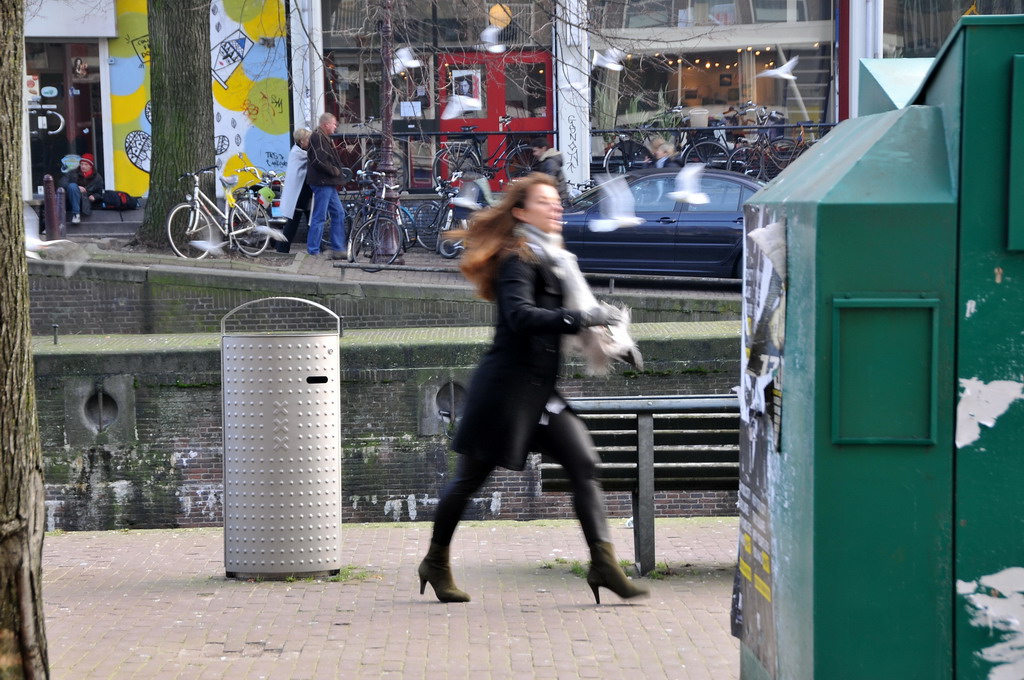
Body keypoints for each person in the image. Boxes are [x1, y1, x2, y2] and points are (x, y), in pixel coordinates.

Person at [417, 173, 649, 605]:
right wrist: (584, 319)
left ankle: (603, 564)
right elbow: (521, 316)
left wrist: (614, 344)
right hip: (505, 392)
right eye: (545, 201)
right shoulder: (516, 259)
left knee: (584, 464)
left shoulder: (556, 257)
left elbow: (578, 310)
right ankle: (435, 562)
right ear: (522, 212)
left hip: (540, 392)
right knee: (468, 480)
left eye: (557, 200)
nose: (556, 207)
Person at [305, 113, 348, 258]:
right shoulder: (318, 137)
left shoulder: (323, 137)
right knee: (320, 216)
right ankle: (313, 250)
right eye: (334, 124)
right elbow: (319, 160)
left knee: (338, 213)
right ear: (326, 124)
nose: (335, 127)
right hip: (323, 182)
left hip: (328, 182)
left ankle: (338, 247)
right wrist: (334, 170)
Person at [275, 128, 313, 254]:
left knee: (308, 220)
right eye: (308, 139)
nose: (310, 141)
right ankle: (282, 247)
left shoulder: (299, 151)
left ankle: (283, 247)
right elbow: (312, 159)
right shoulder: (298, 153)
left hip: (304, 192)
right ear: (302, 141)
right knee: (298, 221)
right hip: (299, 194)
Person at [58, 154, 104, 224]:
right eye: (81, 164)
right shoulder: (72, 173)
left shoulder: (97, 178)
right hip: (71, 200)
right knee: (72, 186)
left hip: (86, 202)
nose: (83, 166)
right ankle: (76, 214)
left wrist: (94, 197)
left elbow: (100, 193)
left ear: (91, 166)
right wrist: (77, 187)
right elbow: (61, 183)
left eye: (86, 164)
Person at [528, 137, 569, 205]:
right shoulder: (547, 161)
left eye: (535, 151)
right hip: (558, 198)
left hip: (557, 199)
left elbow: (548, 183)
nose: (534, 154)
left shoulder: (550, 162)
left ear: (543, 148)